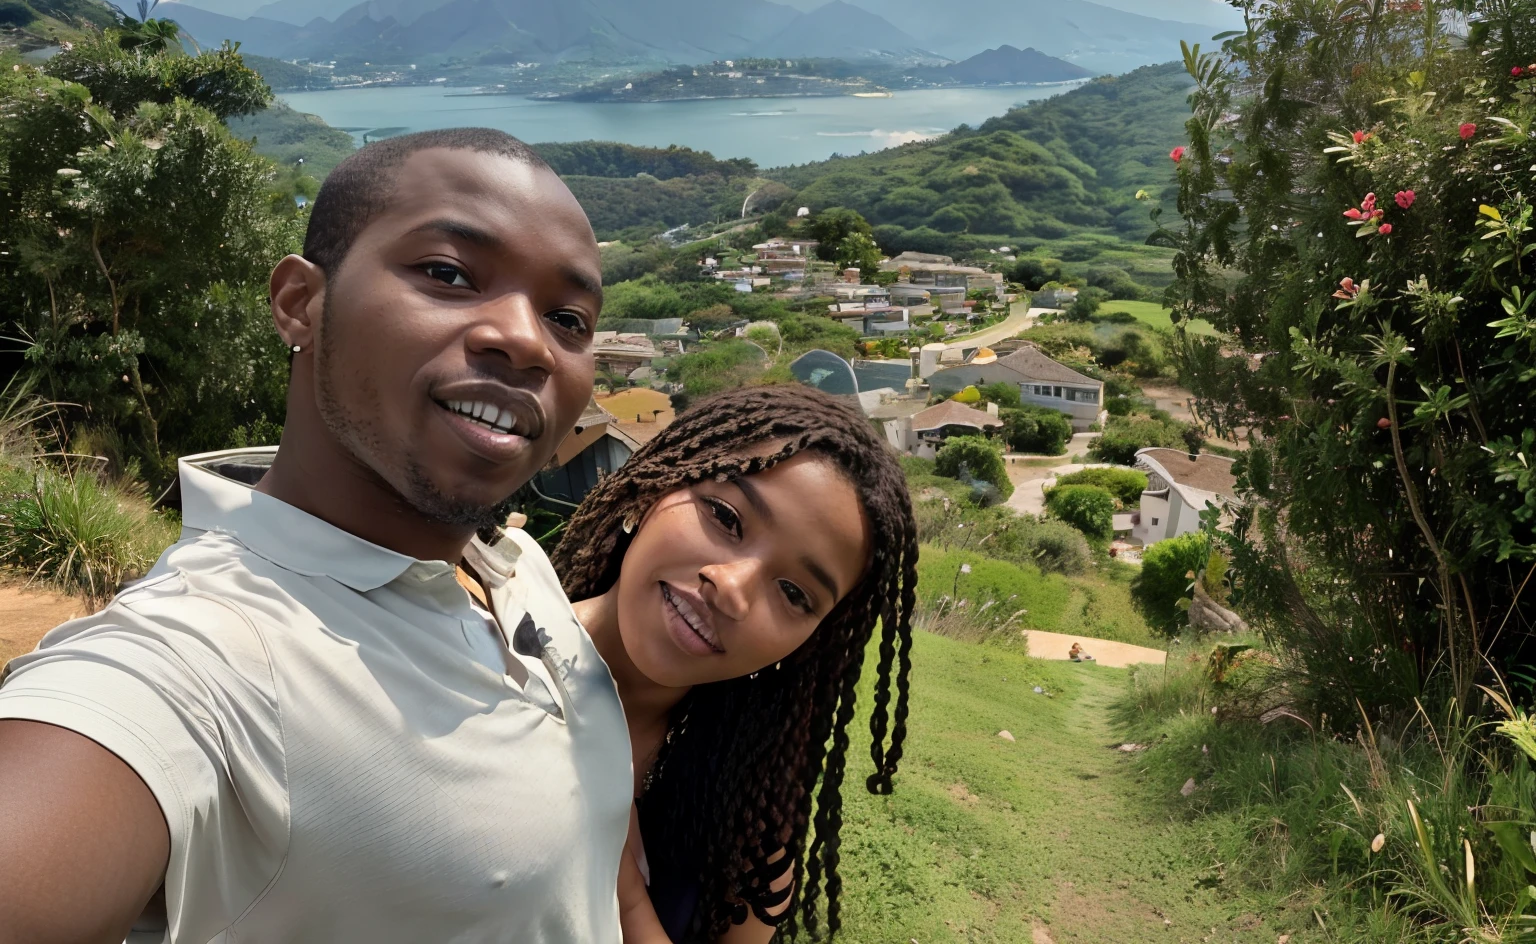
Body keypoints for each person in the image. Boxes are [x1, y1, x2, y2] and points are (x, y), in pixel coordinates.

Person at [0, 128, 633, 944]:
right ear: (300, 301)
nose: (523, 338)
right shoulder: (203, 661)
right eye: (447, 274)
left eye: (568, 318)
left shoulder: (515, 565)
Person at [552, 385, 919, 943]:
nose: (730, 589)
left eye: (795, 594)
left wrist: (620, 885)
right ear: (652, 489)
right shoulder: (476, 648)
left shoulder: (748, 820)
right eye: (725, 516)